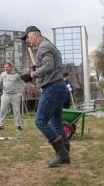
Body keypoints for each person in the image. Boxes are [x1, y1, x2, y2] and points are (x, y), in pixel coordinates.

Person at [20, 26, 70, 167]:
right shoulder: (48, 46)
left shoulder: (43, 47)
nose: (27, 41)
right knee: (57, 123)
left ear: (35, 34)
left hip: (53, 88)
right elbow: (50, 69)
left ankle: (61, 153)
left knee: (40, 121)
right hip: (58, 86)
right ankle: (65, 154)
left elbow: (48, 66)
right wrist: (34, 78)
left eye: (28, 37)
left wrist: (31, 74)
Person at [0, 61, 25, 132]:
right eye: (5, 67)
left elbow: (23, 83)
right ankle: (1, 126)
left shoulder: (16, 75)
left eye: (7, 67)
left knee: (16, 111)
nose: (6, 68)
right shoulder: (2, 74)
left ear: (11, 67)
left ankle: (18, 126)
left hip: (15, 95)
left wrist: (21, 91)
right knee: (2, 110)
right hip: (5, 94)